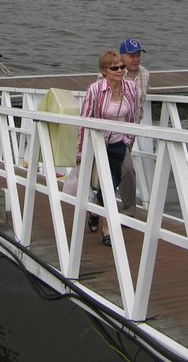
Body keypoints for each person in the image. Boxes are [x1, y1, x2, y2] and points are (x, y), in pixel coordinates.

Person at [76, 49, 139, 247]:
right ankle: (106, 228)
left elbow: (134, 117)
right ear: (104, 71)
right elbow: (84, 120)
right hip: (99, 144)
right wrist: (80, 150)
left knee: (123, 174)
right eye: (115, 68)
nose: (120, 70)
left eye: (121, 67)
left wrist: (128, 140)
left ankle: (95, 209)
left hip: (120, 143)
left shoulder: (131, 88)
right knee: (108, 185)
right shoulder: (95, 90)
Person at [117, 38, 148, 209]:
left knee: (119, 168)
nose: (135, 59)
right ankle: (129, 209)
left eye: (137, 55)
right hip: (114, 131)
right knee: (127, 168)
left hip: (133, 129)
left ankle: (98, 203)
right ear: (122, 57)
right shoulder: (114, 73)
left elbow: (141, 104)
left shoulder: (145, 74)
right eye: (131, 56)